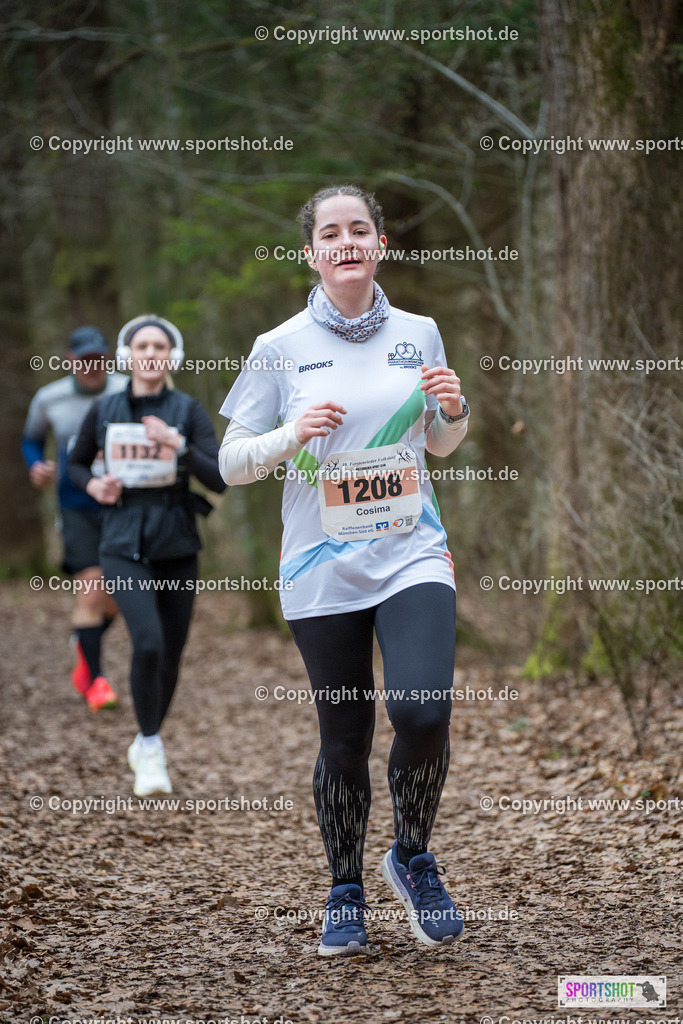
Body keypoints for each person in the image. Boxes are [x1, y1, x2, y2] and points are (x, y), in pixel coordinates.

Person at [219, 185, 471, 956]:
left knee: (423, 711)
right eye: (330, 232)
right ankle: (344, 891)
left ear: (379, 244)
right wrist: (290, 432)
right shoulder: (279, 345)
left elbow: (437, 446)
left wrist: (453, 412)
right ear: (312, 254)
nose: (346, 241)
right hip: (321, 564)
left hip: (410, 552)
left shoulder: (418, 331)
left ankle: (412, 855)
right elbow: (230, 464)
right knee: (344, 737)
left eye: (359, 228)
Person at [68, 315, 226, 796]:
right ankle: (152, 747)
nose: (151, 353)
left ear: (171, 356)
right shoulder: (106, 408)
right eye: (143, 346)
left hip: (177, 543)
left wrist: (176, 444)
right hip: (121, 544)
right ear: (128, 355)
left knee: (172, 653)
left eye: (160, 345)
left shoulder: (187, 409)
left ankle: (146, 737)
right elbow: (75, 464)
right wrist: (95, 483)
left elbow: (219, 477)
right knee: (150, 641)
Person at [22, 326, 127, 710]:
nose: (92, 366)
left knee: (117, 596)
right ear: (70, 360)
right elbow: (30, 439)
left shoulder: (125, 389)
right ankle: (97, 683)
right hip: (75, 505)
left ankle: (85, 641)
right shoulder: (50, 398)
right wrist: (36, 465)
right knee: (93, 588)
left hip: (122, 505)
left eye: (98, 358)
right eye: (84, 360)